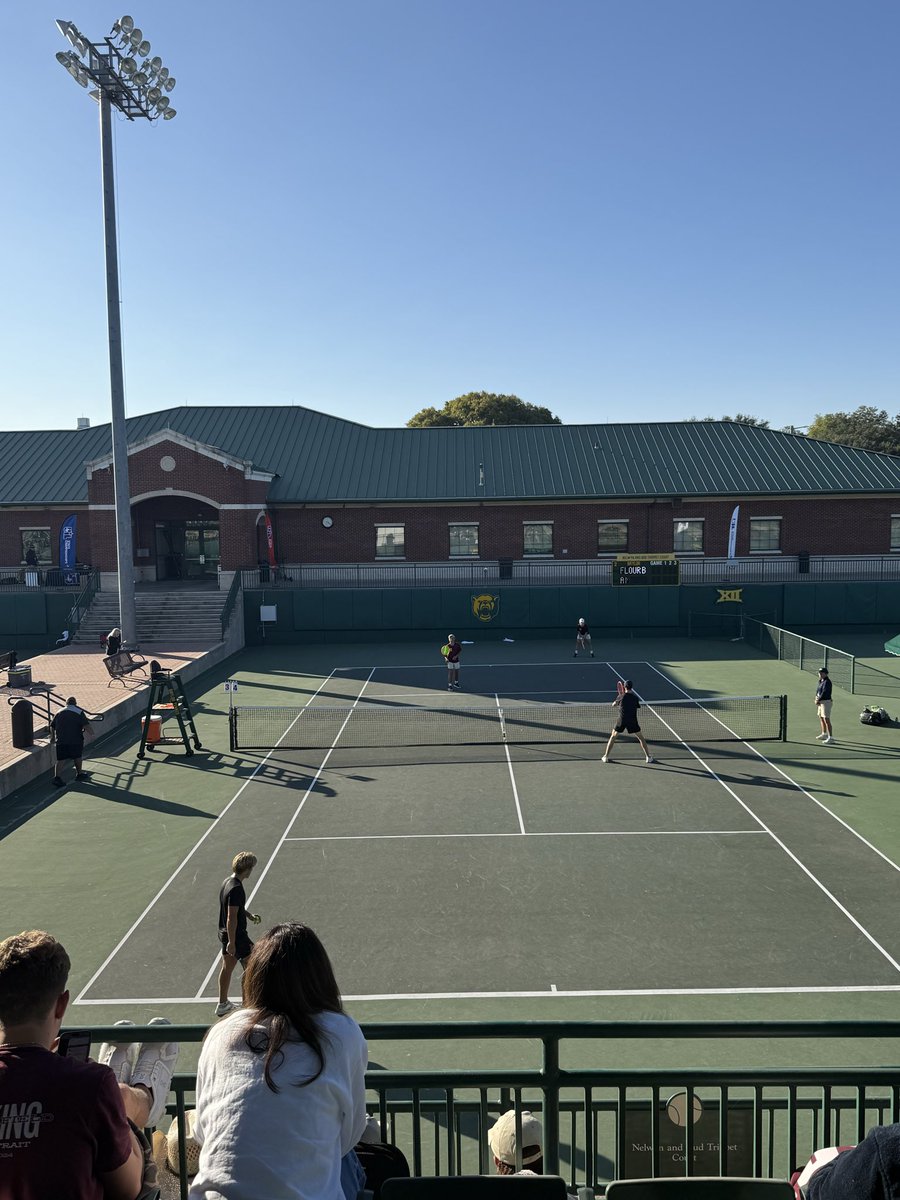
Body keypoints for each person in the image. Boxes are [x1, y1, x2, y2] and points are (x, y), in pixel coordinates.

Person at [190, 922, 368, 1200]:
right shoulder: (341, 1033)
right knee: (346, 1161)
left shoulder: (220, 1033)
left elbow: (203, 1132)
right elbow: (349, 1136)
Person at [0, 928, 179, 1200]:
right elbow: (128, 1189)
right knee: (115, 1105)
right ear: (61, 1005)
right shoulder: (88, 1084)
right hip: (93, 1095)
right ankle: (141, 1097)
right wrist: (100, 1087)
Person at [215, 851, 260, 1017]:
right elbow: (231, 917)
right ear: (247, 869)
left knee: (227, 968)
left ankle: (222, 1004)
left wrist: (248, 915)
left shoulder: (228, 882)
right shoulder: (236, 889)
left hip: (226, 934)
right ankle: (247, 1006)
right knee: (252, 967)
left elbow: (235, 908)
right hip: (236, 936)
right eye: (252, 868)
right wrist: (232, 942)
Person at [601, 680, 654, 764]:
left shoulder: (621, 696)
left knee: (613, 737)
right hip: (632, 720)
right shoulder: (635, 698)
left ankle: (606, 756)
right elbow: (635, 706)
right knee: (641, 738)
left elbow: (613, 705)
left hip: (621, 720)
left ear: (624, 687)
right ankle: (648, 757)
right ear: (631, 687)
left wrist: (618, 699)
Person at [50, 696, 92, 788]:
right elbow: (86, 725)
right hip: (75, 740)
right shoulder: (79, 712)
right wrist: (92, 733)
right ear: (75, 703)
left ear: (66, 703)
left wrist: (52, 737)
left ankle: (57, 777)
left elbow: (52, 726)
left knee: (60, 759)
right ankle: (79, 774)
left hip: (61, 740)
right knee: (77, 756)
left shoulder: (58, 712)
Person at [815, 667, 834, 744]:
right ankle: (824, 734)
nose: (820, 674)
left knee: (826, 719)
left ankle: (831, 738)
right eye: (819, 673)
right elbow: (818, 691)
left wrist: (818, 700)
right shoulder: (820, 681)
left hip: (826, 702)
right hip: (820, 702)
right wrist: (816, 698)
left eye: (822, 673)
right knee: (821, 717)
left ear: (826, 674)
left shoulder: (827, 682)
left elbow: (825, 693)